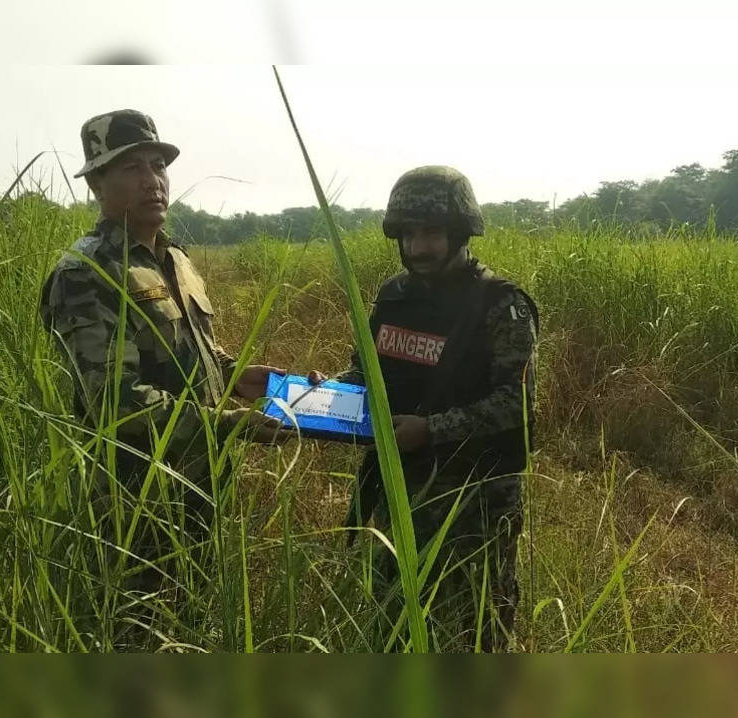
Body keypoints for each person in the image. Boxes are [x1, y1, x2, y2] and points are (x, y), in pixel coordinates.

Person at [40, 109, 288, 582]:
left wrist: (237, 376)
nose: (153, 180)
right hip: (138, 500)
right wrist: (228, 425)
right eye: (132, 168)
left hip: (202, 482)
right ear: (96, 182)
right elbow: (114, 399)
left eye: (159, 165)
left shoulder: (174, 259)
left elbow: (189, 353)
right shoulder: (85, 273)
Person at [332, 165, 539, 651]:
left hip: (476, 494)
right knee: (394, 615)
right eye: (407, 234)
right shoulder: (393, 297)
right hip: (402, 485)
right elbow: (366, 374)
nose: (418, 247)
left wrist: (432, 429)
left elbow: (517, 403)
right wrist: (326, 393)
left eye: (431, 233)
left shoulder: (501, 304)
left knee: (480, 624)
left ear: (461, 231)